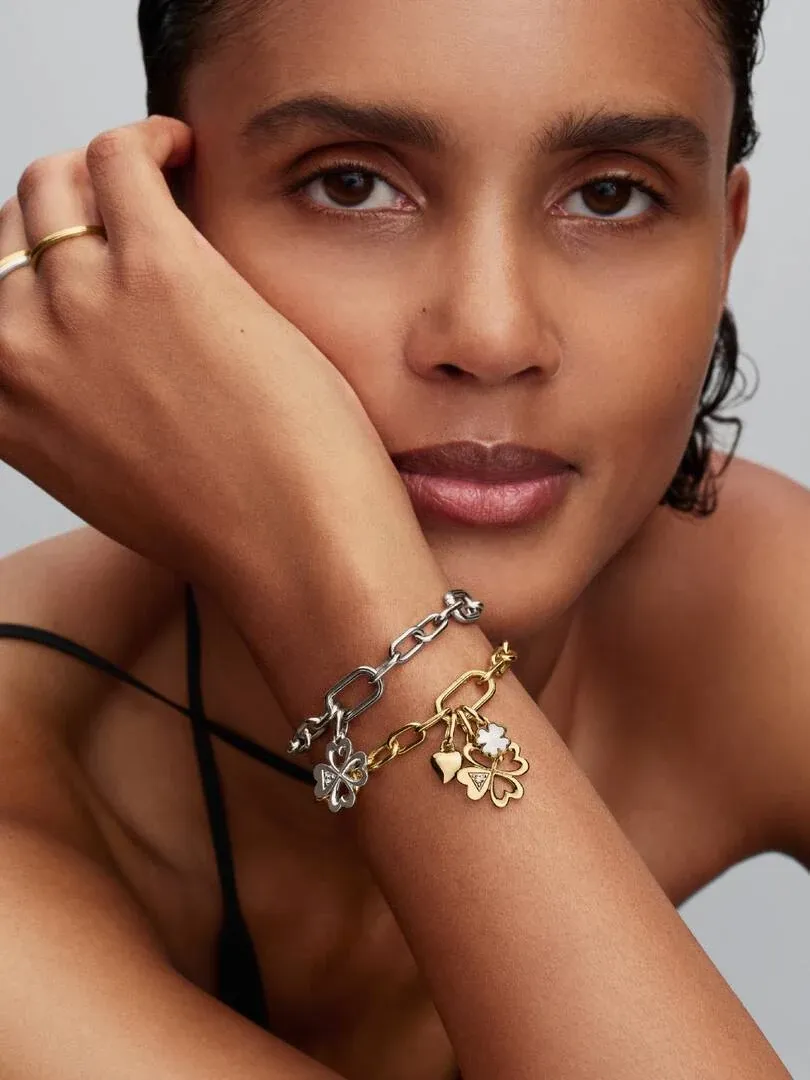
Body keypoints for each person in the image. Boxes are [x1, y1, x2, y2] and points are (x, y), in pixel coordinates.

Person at [0, 0, 803, 1075]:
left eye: (610, 196)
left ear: (725, 243)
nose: (491, 334)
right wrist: (340, 584)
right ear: (160, 238)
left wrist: (359, 608)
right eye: (351, 184)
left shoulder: (756, 602)